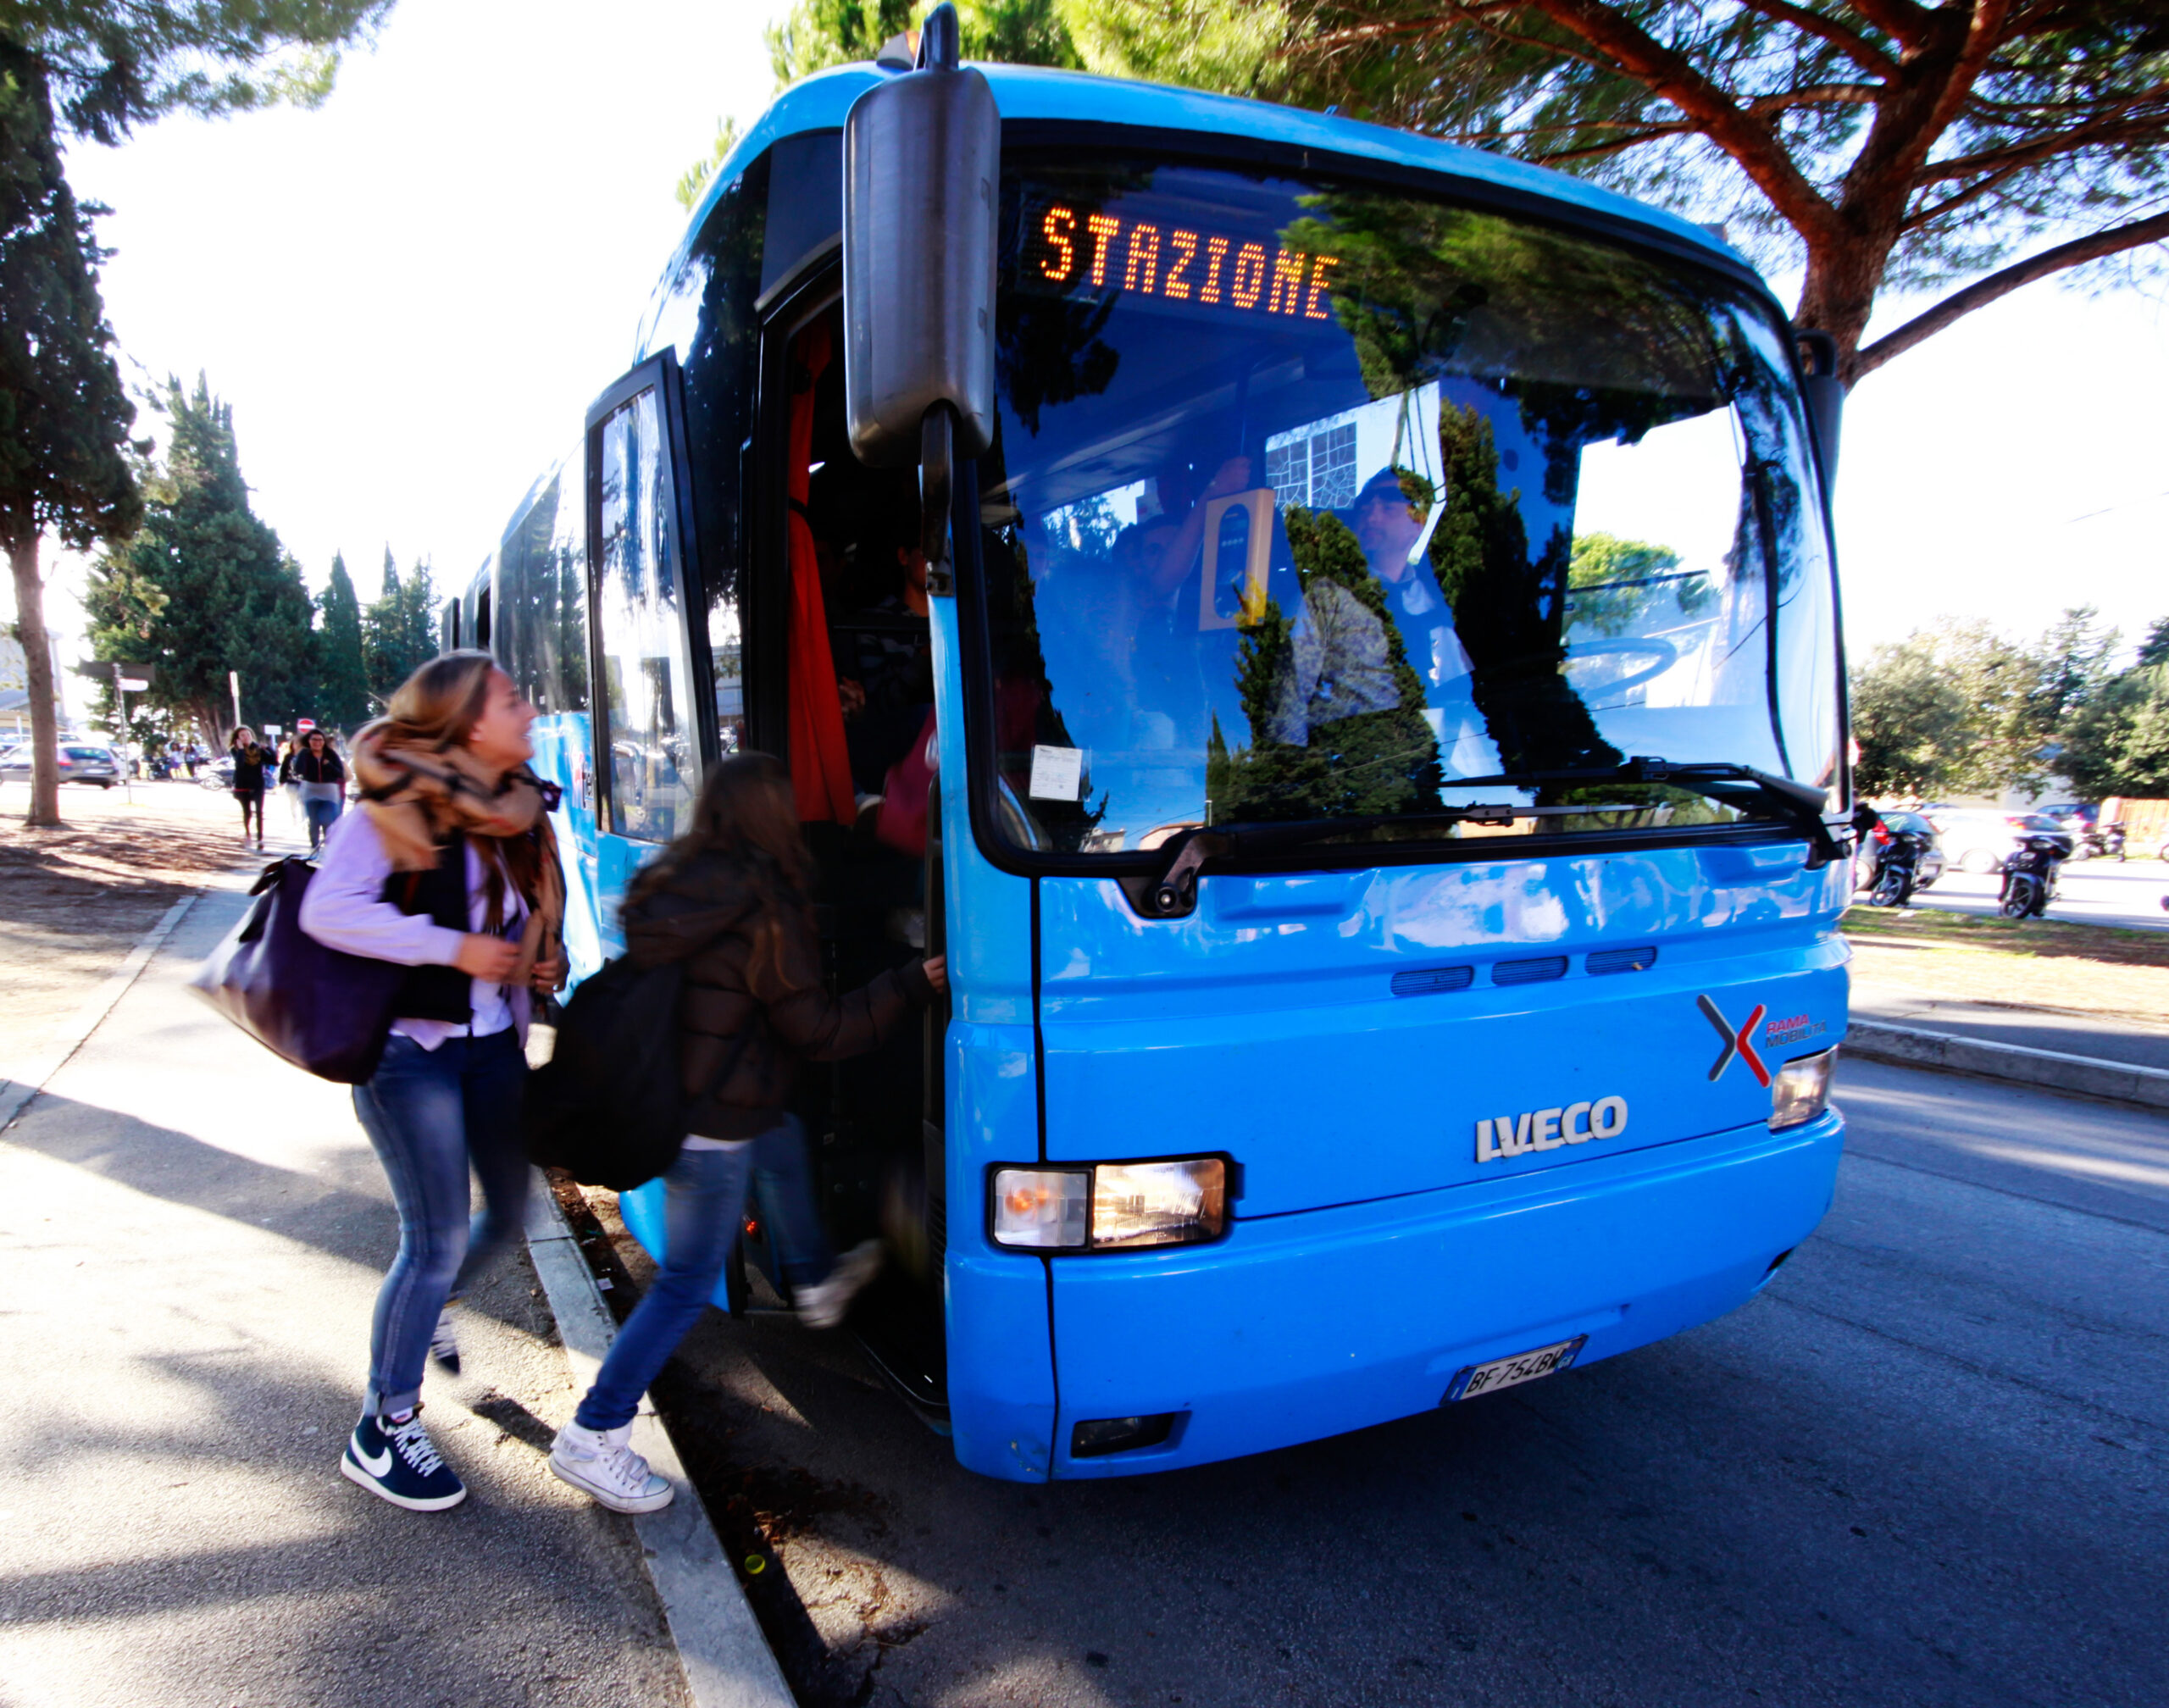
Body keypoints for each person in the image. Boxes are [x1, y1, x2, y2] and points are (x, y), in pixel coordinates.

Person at [548, 751, 945, 1515]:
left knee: (783, 1128)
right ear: (773, 818)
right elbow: (820, 1031)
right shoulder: (766, 905)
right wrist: (904, 983)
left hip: (691, 1099)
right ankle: (594, 1433)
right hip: (713, 1128)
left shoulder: (675, 884)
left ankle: (814, 1277)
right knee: (687, 1283)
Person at [298, 652, 566, 1512]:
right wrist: (450, 949)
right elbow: (328, 910)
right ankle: (383, 1425)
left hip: (490, 1047)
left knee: (513, 1205)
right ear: (463, 721)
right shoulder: (398, 806)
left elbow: (515, 923)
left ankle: (430, 1303)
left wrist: (536, 962)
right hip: (411, 1055)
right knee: (435, 1236)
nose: (529, 711)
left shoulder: (514, 809)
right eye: (511, 700)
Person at [295, 728, 347, 852]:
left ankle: (328, 847)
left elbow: (340, 773)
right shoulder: (304, 754)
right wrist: (304, 755)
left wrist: (328, 765)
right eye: (314, 739)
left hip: (328, 791)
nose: (317, 742)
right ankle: (314, 847)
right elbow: (298, 770)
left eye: (320, 740)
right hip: (310, 790)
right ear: (309, 741)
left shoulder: (331, 754)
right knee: (314, 821)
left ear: (324, 741)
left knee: (326, 820)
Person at [228, 728, 271, 847]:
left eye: (248, 734)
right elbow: (240, 764)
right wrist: (241, 749)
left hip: (258, 783)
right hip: (242, 784)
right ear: (238, 738)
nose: (246, 737)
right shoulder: (235, 750)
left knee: (259, 811)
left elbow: (273, 761)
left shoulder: (258, 749)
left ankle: (260, 838)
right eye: (242, 735)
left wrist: (268, 749)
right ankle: (247, 831)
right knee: (247, 811)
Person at [276, 735, 303, 829]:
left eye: (300, 743)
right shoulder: (289, 756)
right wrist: (281, 781)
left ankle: (303, 822)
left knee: (303, 803)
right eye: (296, 743)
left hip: (303, 784)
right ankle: (294, 819)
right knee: (293, 803)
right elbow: (284, 769)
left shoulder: (307, 756)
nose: (298, 745)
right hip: (291, 783)